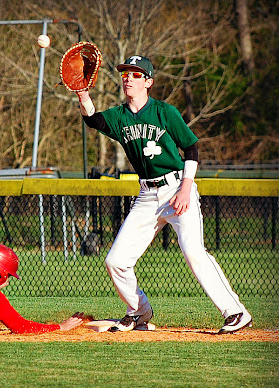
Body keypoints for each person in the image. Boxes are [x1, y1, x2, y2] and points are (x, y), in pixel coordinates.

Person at [75, 55, 252, 334]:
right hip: (147, 195)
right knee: (115, 261)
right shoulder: (120, 116)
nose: (128, 78)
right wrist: (83, 94)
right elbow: (94, 120)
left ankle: (236, 312)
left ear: (148, 82)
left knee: (193, 251)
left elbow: (191, 149)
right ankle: (138, 312)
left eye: (135, 74)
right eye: (125, 74)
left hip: (176, 187)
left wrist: (186, 187)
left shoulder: (164, 112)